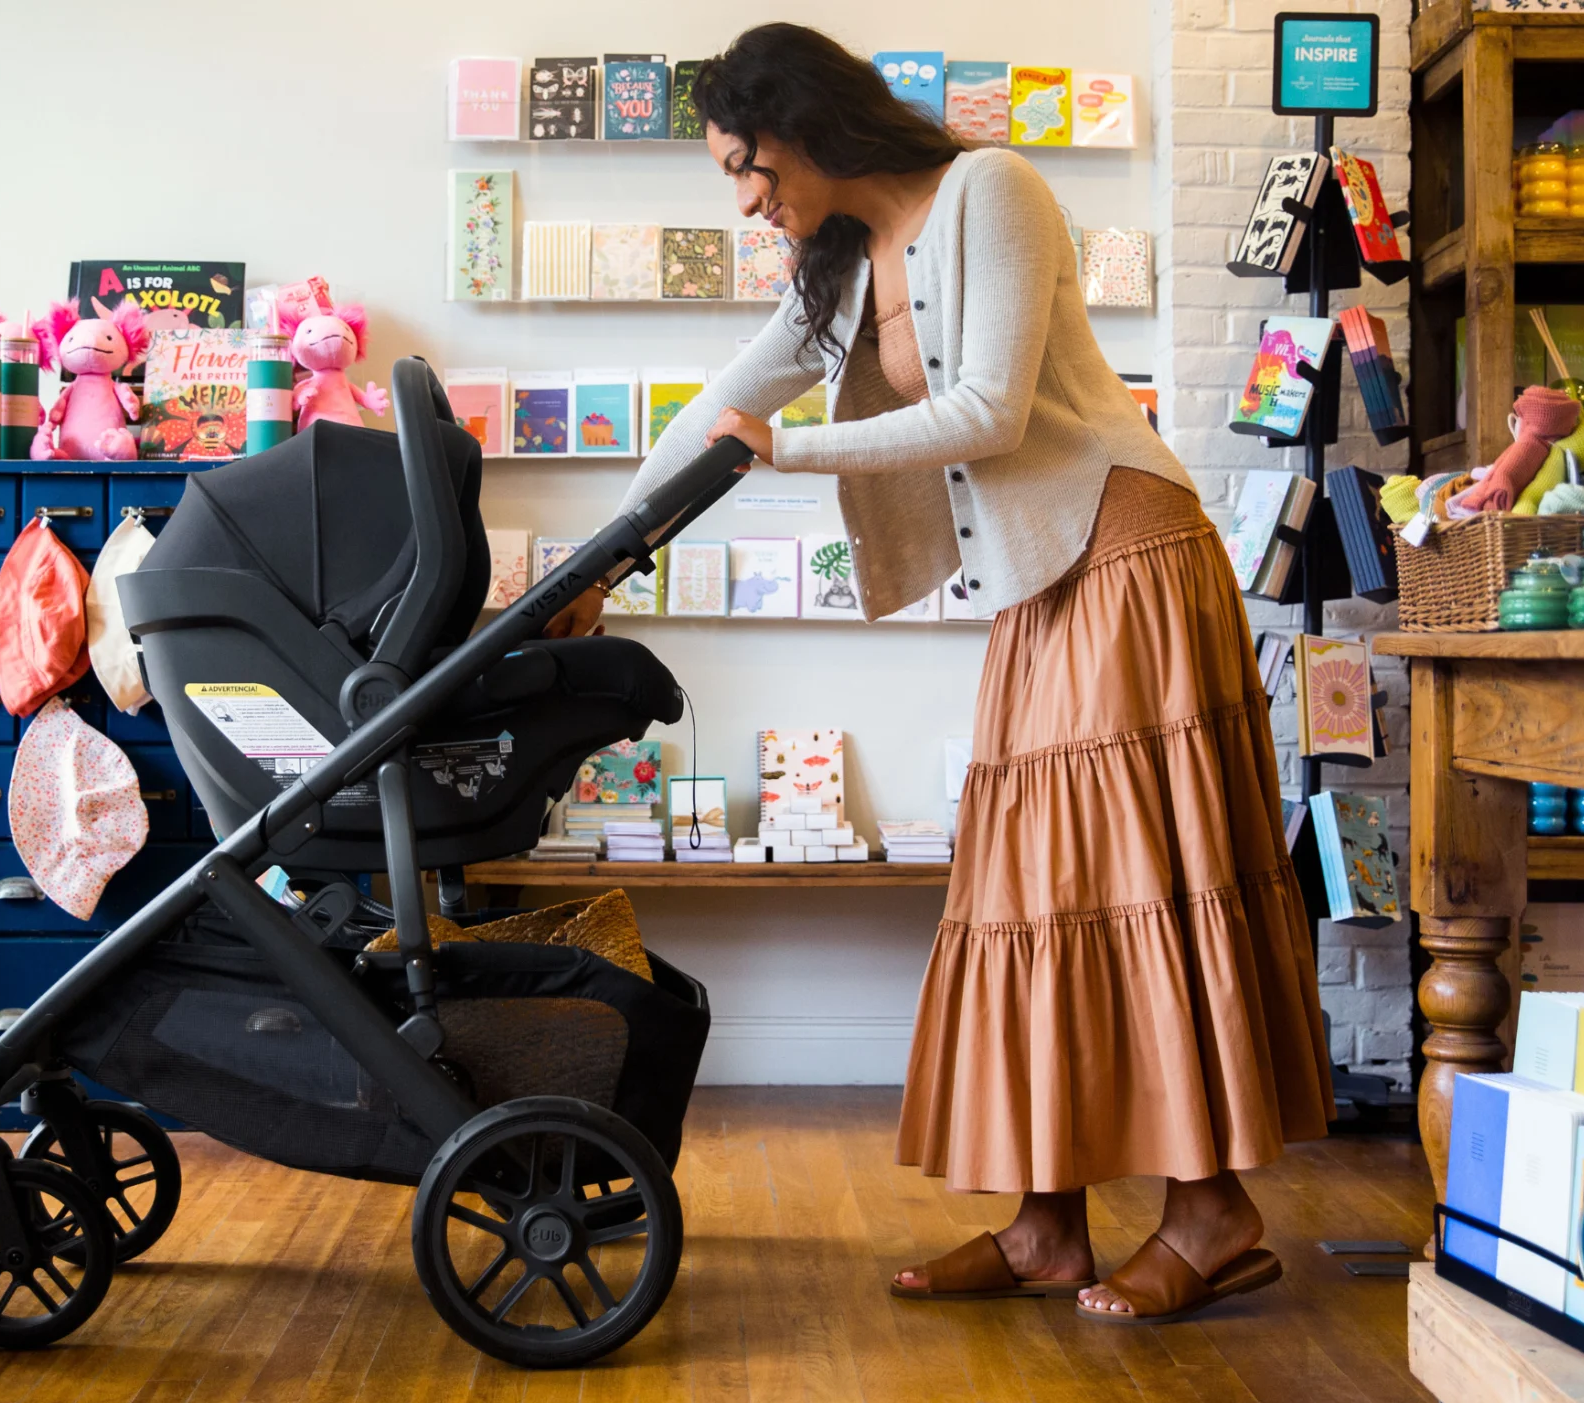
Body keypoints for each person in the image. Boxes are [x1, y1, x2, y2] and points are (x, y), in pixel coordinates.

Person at [547, 23, 1333, 1323]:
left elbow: (990, 411)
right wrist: (600, 559)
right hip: (1040, 583)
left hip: (1127, 553)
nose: (744, 193)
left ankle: (1212, 1208)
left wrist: (782, 455)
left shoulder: (993, 192)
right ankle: (1047, 1226)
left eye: (745, 161)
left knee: (1140, 874)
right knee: (1035, 890)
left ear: (801, 125)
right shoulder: (842, 268)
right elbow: (719, 403)